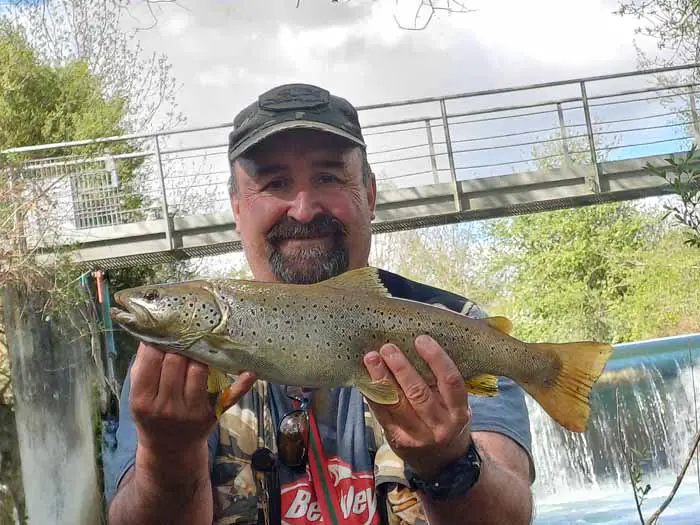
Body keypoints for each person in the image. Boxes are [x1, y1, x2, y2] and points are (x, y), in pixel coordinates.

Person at [105, 83, 535, 525]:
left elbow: (511, 515)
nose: (304, 208)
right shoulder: (172, 368)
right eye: (275, 183)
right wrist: (169, 455)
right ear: (237, 209)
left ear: (369, 195)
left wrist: (450, 464)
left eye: (328, 178)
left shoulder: (458, 328)